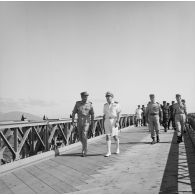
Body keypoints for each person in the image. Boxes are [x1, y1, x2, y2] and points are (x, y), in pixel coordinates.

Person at [72, 91, 94, 157]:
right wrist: (73, 121)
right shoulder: (78, 103)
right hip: (79, 121)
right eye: (84, 96)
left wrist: (92, 123)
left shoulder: (90, 104)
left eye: (87, 96)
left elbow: (92, 114)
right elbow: (73, 113)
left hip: (86, 121)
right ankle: (84, 146)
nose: (86, 97)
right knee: (80, 137)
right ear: (81, 97)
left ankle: (84, 150)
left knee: (84, 134)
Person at [103, 91, 121, 157]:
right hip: (107, 120)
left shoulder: (116, 104)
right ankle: (108, 152)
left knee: (115, 136)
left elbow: (119, 113)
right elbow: (104, 114)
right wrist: (103, 122)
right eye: (106, 96)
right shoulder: (105, 105)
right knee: (107, 136)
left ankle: (117, 148)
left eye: (109, 96)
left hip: (114, 121)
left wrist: (117, 122)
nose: (107, 97)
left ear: (112, 97)